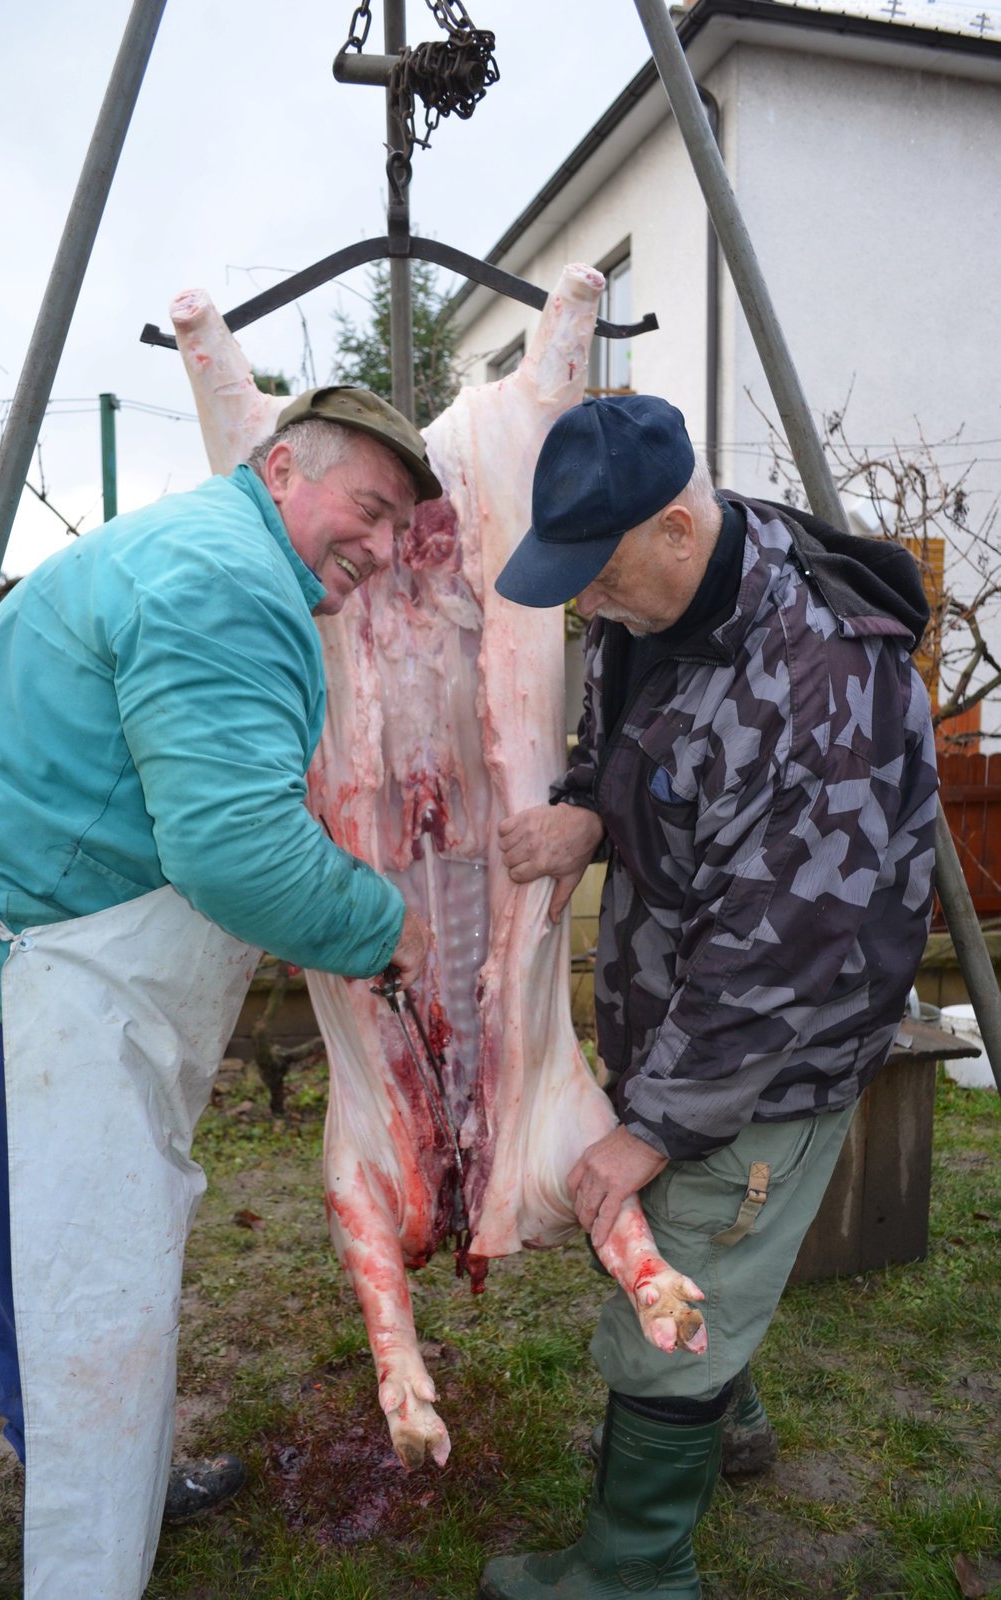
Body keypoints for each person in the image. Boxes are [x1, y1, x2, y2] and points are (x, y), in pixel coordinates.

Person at [0, 385, 439, 1599]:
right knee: (68, 1270)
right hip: (20, 983)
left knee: (60, 1262)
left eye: (396, 534)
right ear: (281, 469)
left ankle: (96, 1458)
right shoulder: (228, 584)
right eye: (366, 510)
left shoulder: (192, 546)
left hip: (21, 953)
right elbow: (233, 852)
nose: (377, 551)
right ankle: (84, 1534)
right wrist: (388, 925)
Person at [482, 394, 938, 1600]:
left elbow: (777, 951)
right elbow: (633, 740)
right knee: (685, 1244)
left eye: (599, 574)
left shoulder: (821, 677)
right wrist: (589, 803)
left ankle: (637, 1569)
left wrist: (648, 1128)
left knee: (676, 1271)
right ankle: (720, 1424)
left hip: (770, 1051)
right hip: (681, 1008)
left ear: (679, 526)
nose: (584, 603)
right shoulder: (666, 602)